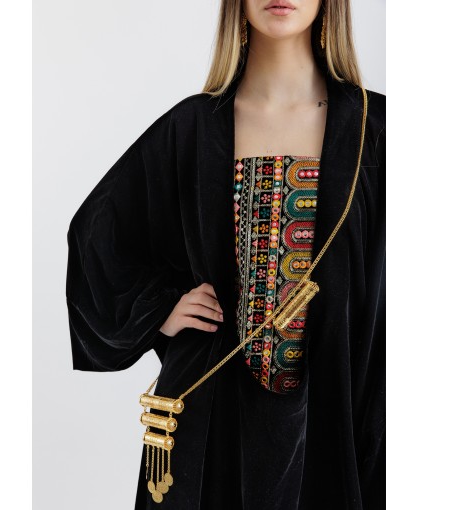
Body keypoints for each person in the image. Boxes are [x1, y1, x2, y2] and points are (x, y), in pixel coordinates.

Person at [65, 0, 385, 508]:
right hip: (210, 421)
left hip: (340, 413)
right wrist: (158, 310)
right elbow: (97, 235)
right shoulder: (192, 127)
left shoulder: (377, 128)